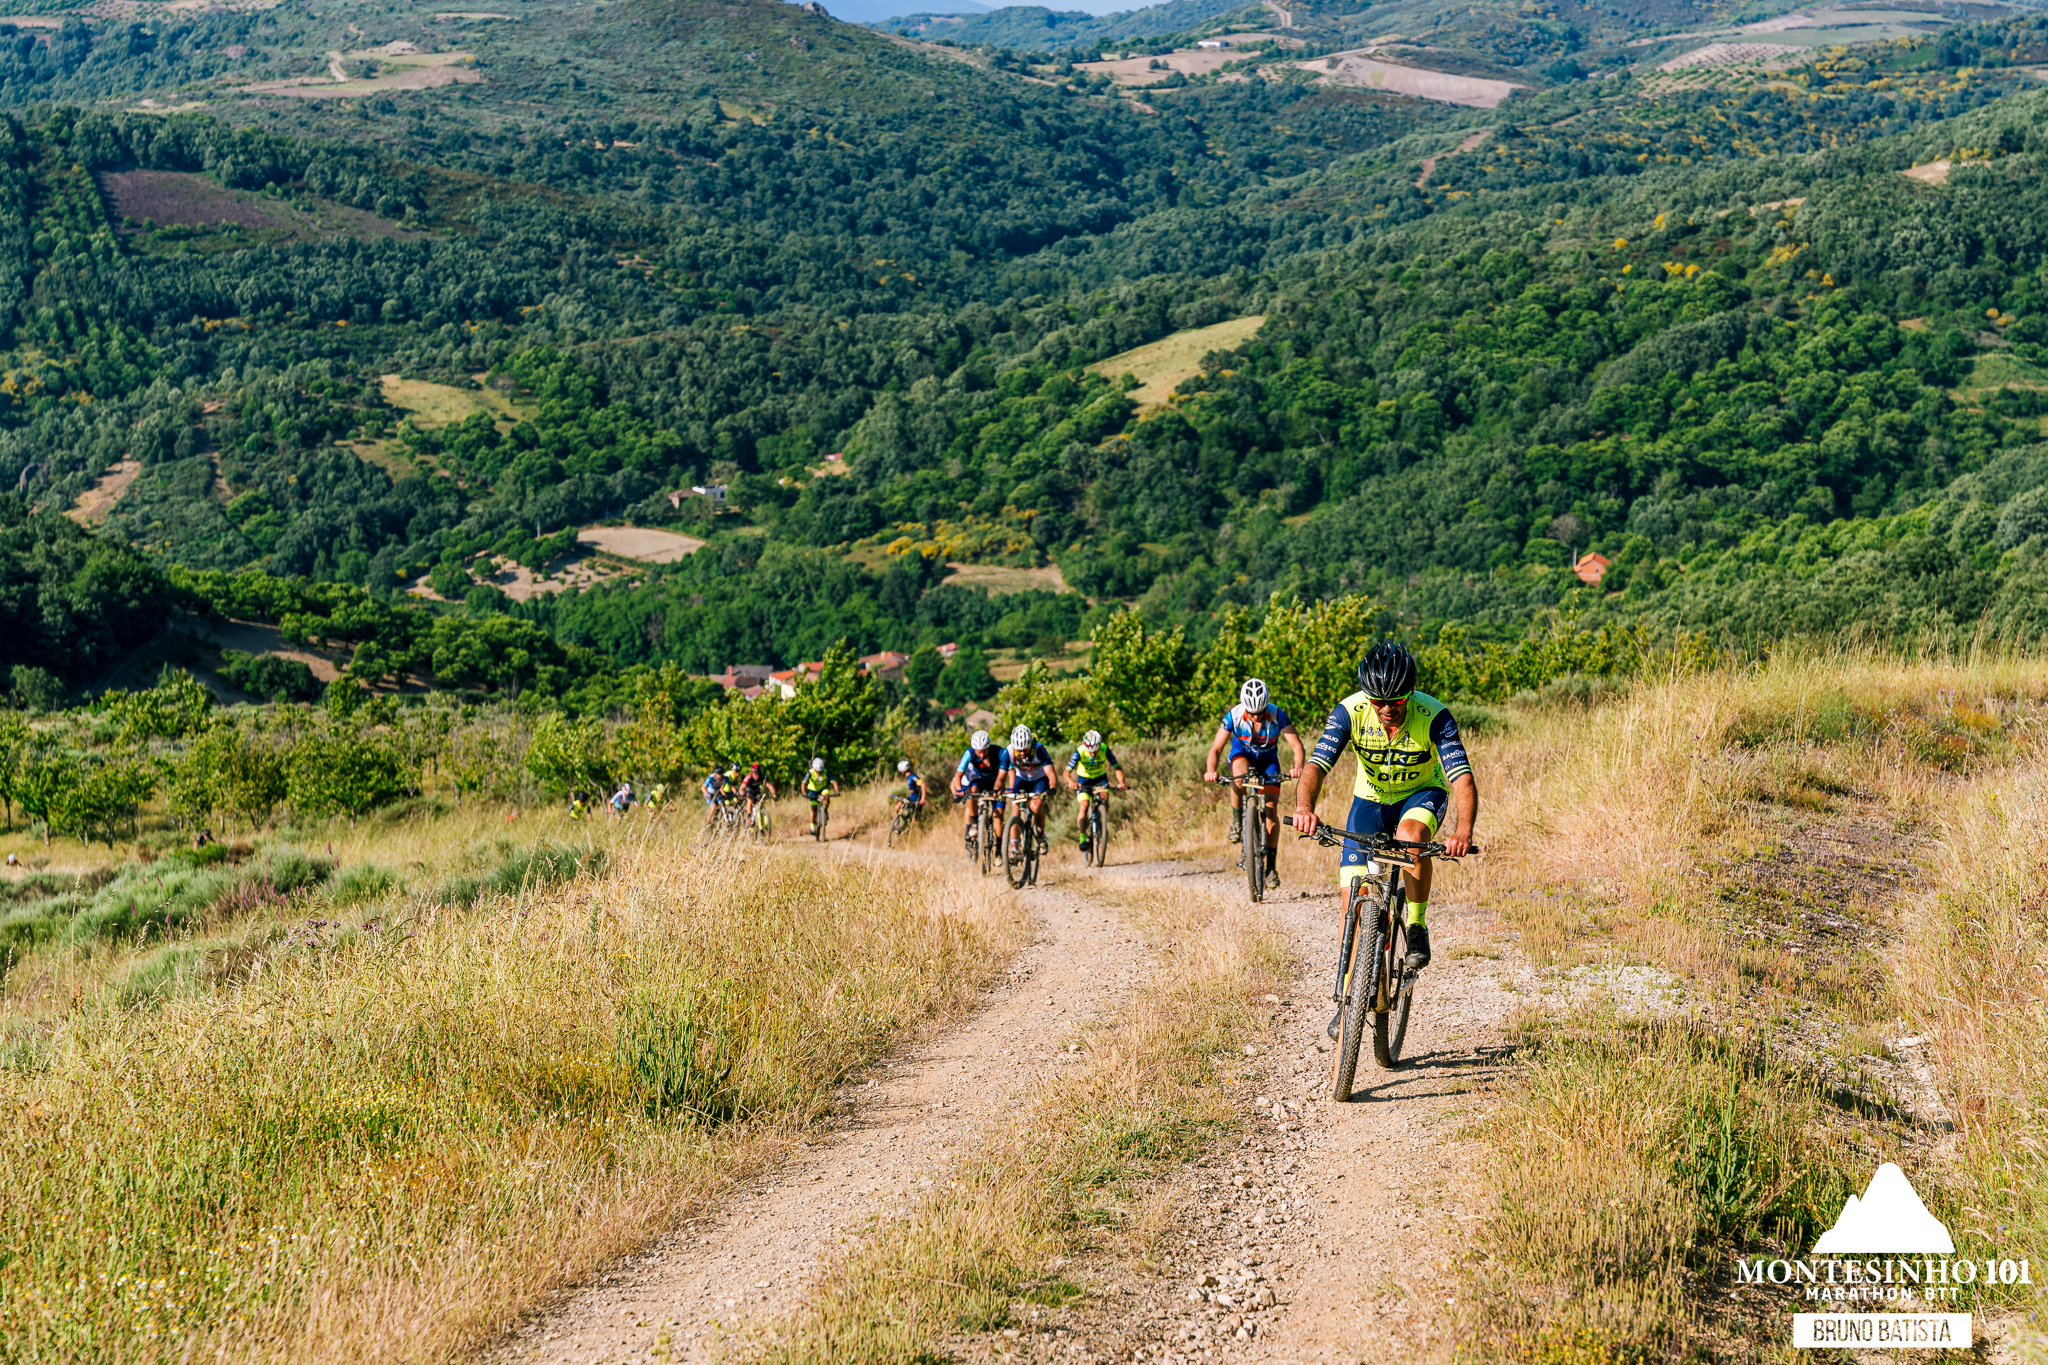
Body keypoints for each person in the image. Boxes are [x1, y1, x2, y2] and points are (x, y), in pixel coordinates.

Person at [1294, 641, 1479, 1007]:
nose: (1386, 708)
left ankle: (1416, 923)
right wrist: (1304, 807)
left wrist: (1463, 831)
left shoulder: (1434, 716)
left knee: (1410, 838)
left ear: (1410, 693)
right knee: (1352, 906)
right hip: (1370, 801)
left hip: (1422, 794)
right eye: (1377, 700)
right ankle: (1349, 1002)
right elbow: (1315, 766)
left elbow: (1462, 780)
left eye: (1395, 700)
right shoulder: (1350, 711)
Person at [1203, 678, 1306, 890]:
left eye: (1260, 712)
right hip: (1243, 756)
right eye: (1252, 713)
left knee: (1271, 810)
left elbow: (1296, 746)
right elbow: (1216, 748)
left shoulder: (1278, 714)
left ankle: (1271, 868)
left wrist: (1298, 767)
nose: (1257, 716)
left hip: (1268, 761)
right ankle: (1237, 822)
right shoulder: (1233, 715)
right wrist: (1211, 770)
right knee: (1238, 777)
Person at [1065, 730, 1127, 858]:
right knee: (1084, 805)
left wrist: (1121, 782)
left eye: (1095, 751)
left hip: (1100, 778)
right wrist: (1071, 782)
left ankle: (1100, 821)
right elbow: (1066, 772)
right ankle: (1082, 837)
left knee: (1105, 798)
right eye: (1090, 751)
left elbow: (1117, 767)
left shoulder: (1105, 749)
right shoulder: (1080, 751)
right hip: (1083, 780)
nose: (1093, 754)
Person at [1000, 724, 1057, 853]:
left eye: (1024, 749)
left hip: (1039, 780)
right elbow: (1001, 776)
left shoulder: (1039, 749)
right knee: (1015, 808)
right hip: (1022, 780)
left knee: (1035, 806)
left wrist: (1052, 787)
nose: (1022, 753)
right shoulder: (1008, 751)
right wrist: (998, 789)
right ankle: (1014, 846)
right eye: (1018, 750)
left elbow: (1051, 773)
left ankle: (1041, 835)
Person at [952, 728, 1003, 850]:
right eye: (978, 752)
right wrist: (959, 791)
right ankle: (974, 824)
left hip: (996, 782)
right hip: (979, 781)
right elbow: (958, 775)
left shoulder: (999, 752)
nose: (981, 755)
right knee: (972, 792)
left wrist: (1001, 788)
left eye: (984, 751)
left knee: (998, 817)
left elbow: (1007, 772)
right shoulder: (969, 753)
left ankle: (999, 850)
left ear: (989, 747)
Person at [801, 757, 839, 828]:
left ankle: (825, 810)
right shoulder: (810, 772)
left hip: (823, 789)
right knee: (813, 808)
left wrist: (837, 791)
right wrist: (804, 793)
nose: (819, 773)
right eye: (817, 771)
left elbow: (833, 781)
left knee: (827, 796)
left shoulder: (826, 771)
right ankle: (812, 826)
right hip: (813, 790)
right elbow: (803, 783)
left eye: (820, 771)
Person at [892, 758, 926, 829]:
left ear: (902, 771)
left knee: (915, 819)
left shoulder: (913, 777)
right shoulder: (909, 777)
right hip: (911, 798)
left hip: (916, 800)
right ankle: (897, 823)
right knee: (897, 807)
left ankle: (913, 829)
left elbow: (923, 784)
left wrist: (923, 798)